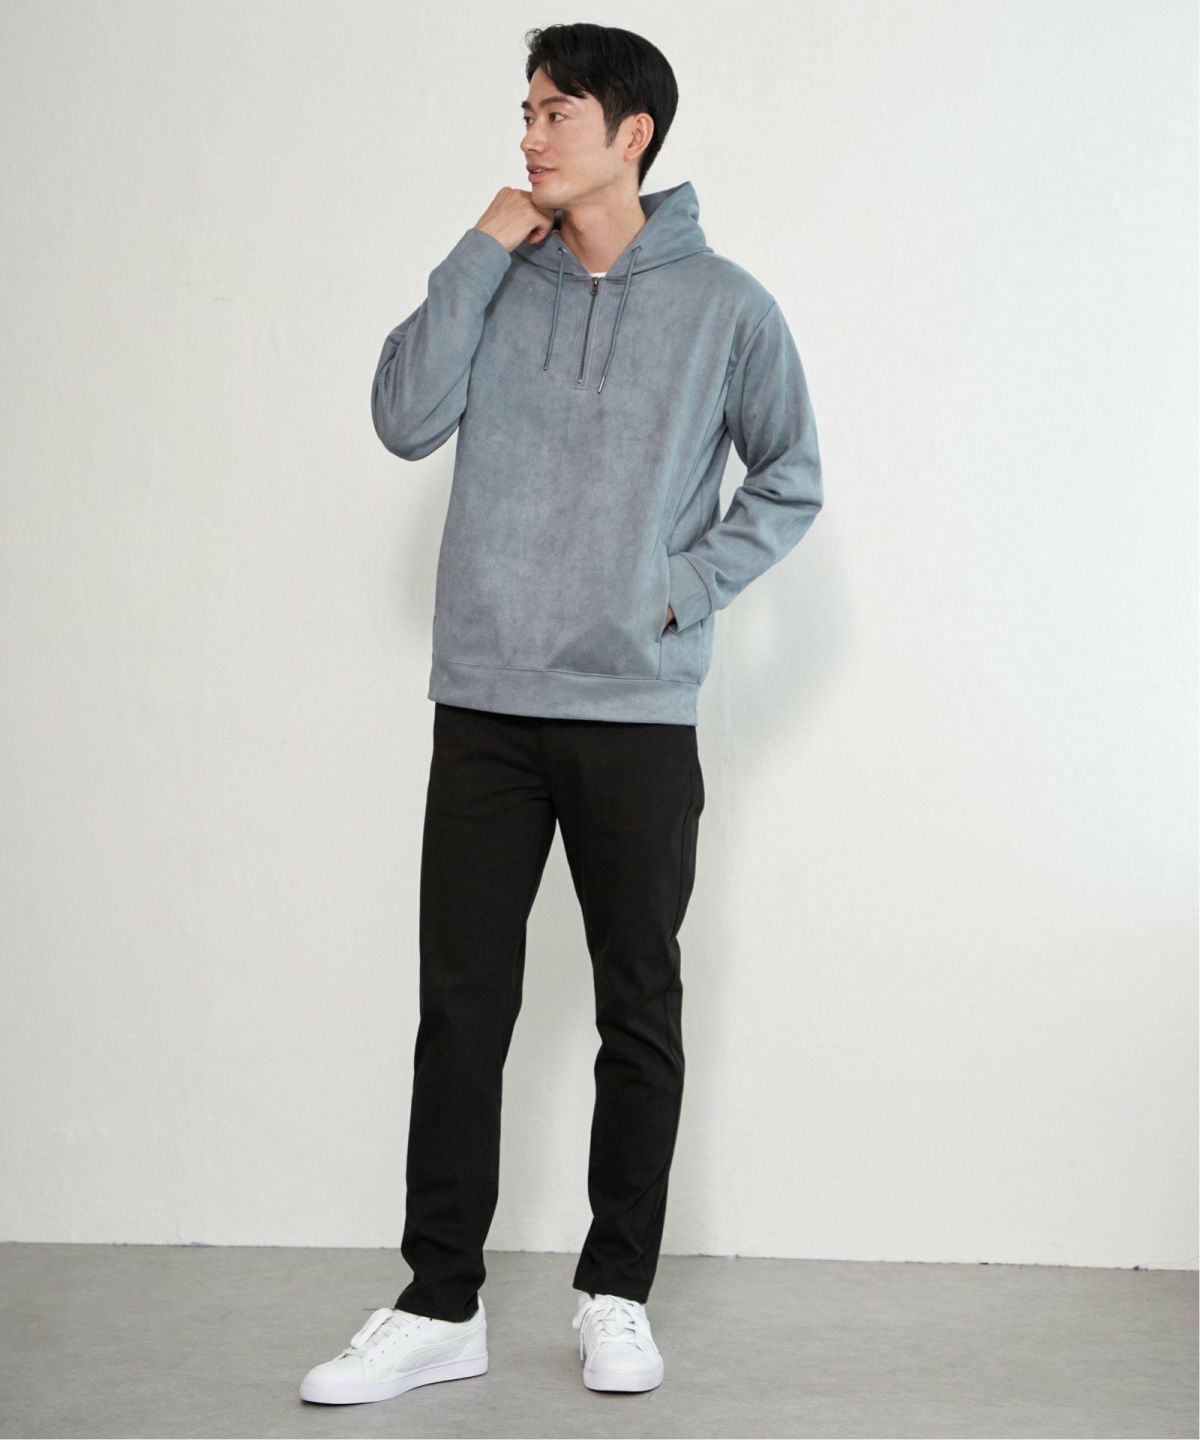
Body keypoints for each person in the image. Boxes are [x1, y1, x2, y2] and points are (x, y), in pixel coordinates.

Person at [300, 21, 823, 1406]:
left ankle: (616, 1292)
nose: (529, 135)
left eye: (556, 112)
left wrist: (679, 592)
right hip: (483, 700)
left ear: (632, 134)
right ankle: (439, 1303)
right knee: (462, 1006)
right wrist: (481, 246)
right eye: (524, 110)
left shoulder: (726, 307)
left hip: (635, 709)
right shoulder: (500, 279)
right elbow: (405, 417)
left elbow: (791, 477)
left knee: (636, 1002)